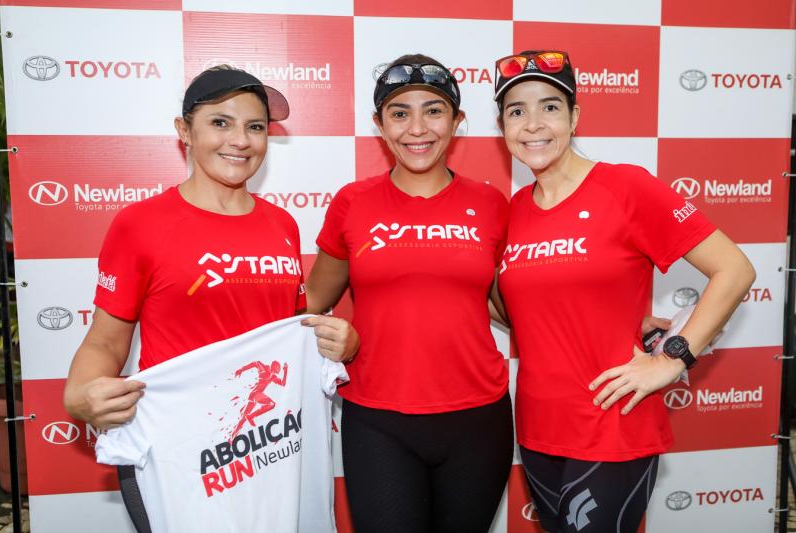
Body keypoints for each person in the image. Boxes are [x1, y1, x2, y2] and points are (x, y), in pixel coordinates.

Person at [492, 50, 756, 533]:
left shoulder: (625, 186)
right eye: (516, 111)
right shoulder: (514, 210)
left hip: (613, 425)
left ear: (574, 116)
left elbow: (735, 270)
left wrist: (674, 357)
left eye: (550, 106)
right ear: (502, 127)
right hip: (537, 430)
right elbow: (526, 309)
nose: (533, 124)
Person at [64, 65, 359, 430]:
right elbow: (105, 342)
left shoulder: (283, 224)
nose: (241, 140)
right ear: (184, 130)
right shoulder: (139, 223)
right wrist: (80, 393)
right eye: (221, 123)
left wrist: (341, 342)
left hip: (271, 431)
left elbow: (290, 329)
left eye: (255, 127)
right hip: (180, 435)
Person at [307, 54, 514, 533]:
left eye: (434, 111)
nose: (417, 128)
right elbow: (310, 303)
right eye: (400, 113)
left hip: (478, 418)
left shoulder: (491, 204)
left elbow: (518, 305)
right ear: (379, 125)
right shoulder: (351, 203)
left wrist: (618, 322)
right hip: (377, 420)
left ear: (457, 122)